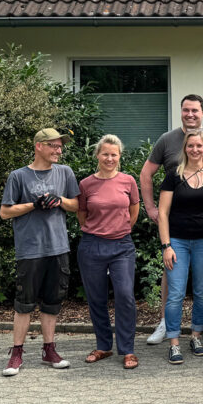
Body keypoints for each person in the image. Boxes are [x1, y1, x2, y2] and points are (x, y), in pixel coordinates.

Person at [141, 94, 203, 345]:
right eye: (185, 110)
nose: (190, 114)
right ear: (180, 112)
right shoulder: (167, 140)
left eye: (195, 110)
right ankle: (165, 323)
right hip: (177, 228)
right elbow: (146, 174)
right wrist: (151, 208)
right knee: (172, 278)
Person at [0, 128, 80, 376]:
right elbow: (5, 212)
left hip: (58, 248)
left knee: (52, 302)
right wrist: (33, 205)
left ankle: (49, 350)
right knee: (24, 304)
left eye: (60, 147)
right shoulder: (18, 176)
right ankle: (16, 354)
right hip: (30, 249)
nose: (58, 150)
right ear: (39, 146)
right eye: (53, 146)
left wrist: (59, 200)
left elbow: (76, 205)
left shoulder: (65, 172)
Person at [158, 130, 203, 365]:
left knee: (201, 292)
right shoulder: (173, 175)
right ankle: (174, 342)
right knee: (175, 293)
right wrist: (166, 246)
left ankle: (196, 336)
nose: (195, 149)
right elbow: (163, 213)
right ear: (184, 148)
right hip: (177, 241)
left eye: (199, 146)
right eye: (190, 146)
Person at [76, 135, 141, 369]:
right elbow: (82, 214)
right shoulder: (85, 184)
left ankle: (127, 349)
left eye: (114, 154)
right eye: (105, 154)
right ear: (97, 155)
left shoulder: (128, 181)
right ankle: (104, 346)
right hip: (92, 245)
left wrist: (120, 229)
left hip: (121, 246)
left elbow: (134, 210)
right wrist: (98, 230)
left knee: (125, 295)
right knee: (96, 298)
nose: (109, 158)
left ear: (119, 156)